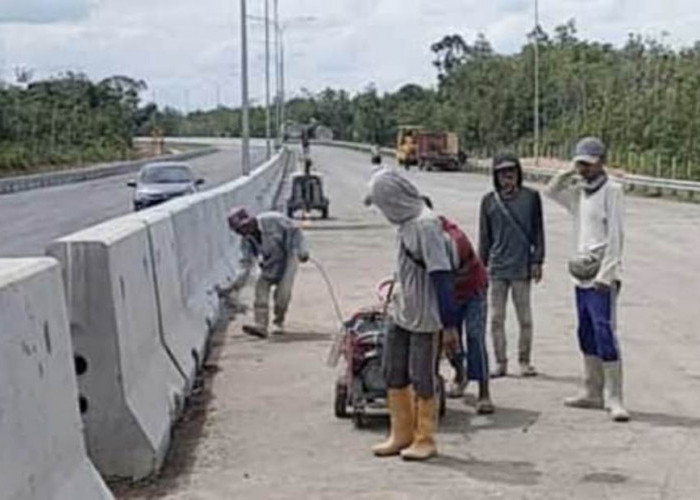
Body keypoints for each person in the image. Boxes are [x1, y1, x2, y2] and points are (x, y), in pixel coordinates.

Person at [366, 170, 461, 461]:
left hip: (425, 314)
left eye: (382, 204)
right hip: (401, 309)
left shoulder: (426, 225)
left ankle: (424, 437)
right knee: (393, 371)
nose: (382, 211)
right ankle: (401, 433)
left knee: (422, 376)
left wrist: (448, 325)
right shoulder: (405, 225)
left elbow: (442, 277)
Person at [544, 137, 630, 422]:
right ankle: (592, 390)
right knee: (586, 331)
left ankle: (614, 396)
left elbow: (616, 236)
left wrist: (606, 275)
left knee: (605, 331)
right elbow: (552, 191)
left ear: (601, 163)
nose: (585, 169)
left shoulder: (613, 191)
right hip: (580, 274)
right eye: (582, 163)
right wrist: (569, 170)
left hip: (602, 276)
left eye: (589, 164)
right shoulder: (580, 193)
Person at [421, 196, 493, 414]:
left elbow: (445, 278)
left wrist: (448, 323)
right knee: (448, 341)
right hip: (446, 291)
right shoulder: (419, 235)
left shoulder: (453, 240)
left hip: (472, 290)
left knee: (474, 337)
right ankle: (460, 373)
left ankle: (484, 392)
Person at [479, 152, 545, 378]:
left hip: (521, 267)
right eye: (503, 173)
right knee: (497, 318)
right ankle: (500, 362)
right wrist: (480, 268)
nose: (508, 177)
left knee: (525, 319)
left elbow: (538, 231)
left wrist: (538, 261)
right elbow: (484, 238)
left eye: (512, 172)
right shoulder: (488, 201)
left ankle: (524, 361)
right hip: (497, 268)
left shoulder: (531, 198)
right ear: (495, 176)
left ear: (519, 173)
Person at [227, 208, 310, 339]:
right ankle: (261, 325)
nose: (242, 232)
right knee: (261, 290)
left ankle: (279, 321)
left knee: (283, 293)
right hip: (269, 261)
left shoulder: (274, 219)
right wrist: (234, 285)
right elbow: (246, 264)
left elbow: (296, 232)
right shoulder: (247, 241)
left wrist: (302, 251)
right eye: (238, 230)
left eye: (243, 227)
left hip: (288, 256)